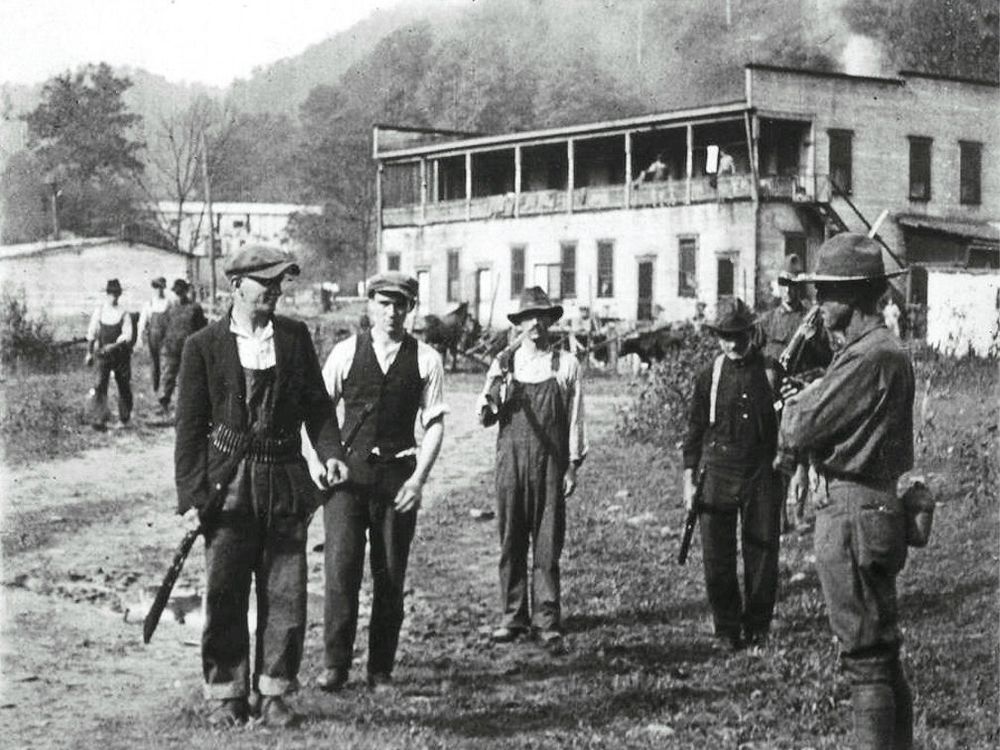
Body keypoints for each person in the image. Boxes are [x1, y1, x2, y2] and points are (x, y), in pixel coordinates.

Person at [173, 244, 349, 727]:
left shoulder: (294, 339)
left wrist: (331, 455)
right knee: (225, 589)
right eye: (264, 281)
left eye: (279, 282)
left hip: (286, 481)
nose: (274, 290)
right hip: (227, 485)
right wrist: (191, 496)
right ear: (236, 286)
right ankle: (227, 692)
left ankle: (274, 692)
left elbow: (318, 408)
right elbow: (189, 429)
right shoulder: (203, 346)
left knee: (286, 591)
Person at [780, 233, 914, 749]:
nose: (818, 303)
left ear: (855, 297)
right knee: (881, 651)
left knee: (866, 659)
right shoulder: (878, 351)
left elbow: (797, 430)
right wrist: (813, 397)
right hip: (873, 505)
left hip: (853, 510)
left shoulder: (867, 357)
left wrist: (800, 405)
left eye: (827, 292)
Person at [310, 271, 447, 692]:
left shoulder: (426, 359)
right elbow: (316, 413)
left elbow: (436, 423)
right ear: (370, 305)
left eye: (400, 305)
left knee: (390, 575)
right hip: (347, 480)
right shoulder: (345, 353)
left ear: (410, 309)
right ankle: (335, 665)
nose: (392, 312)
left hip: (397, 480)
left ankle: (380, 669)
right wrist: (321, 460)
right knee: (341, 569)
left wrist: (419, 480)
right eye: (384, 303)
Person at [478, 286, 587, 654]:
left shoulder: (566, 365)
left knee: (546, 544)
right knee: (511, 540)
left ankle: (546, 619)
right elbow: (485, 415)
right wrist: (498, 395)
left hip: (550, 466)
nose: (536, 324)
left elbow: (575, 421)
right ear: (519, 324)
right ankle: (513, 618)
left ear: (551, 321)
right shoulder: (504, 363)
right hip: (511, 464)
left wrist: (571, 466)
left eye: (542, 316)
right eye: (528, 318)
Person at [682, 297, 781, 651]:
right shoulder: (709, 376)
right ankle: (726, 627)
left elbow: (787, 425)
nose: (732, 343)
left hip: (760, 471)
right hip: (718, 472)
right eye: (725, 336)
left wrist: (787, 464)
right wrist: (689, 478)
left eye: (738, 335)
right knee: (717, 555)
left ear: (750, 333)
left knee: (763, 550)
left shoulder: (770, 372)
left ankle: (757, 626)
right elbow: (694, 430)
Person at [754, 254, 832, 529]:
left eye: (795, 284)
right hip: (774, 397)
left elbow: (827, 359)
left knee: (801, 457)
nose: (789, 289)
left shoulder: (812, 319)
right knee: (778, 458)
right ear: (779, 285)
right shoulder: (766, 321)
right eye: (785, 283)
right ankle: (780, 517)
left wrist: (812, 342)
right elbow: (753, 357)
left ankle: (798, 515)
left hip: (801, 395)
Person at [85, 278, 134, 430]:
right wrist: (89, 353)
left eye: (116, 293)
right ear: (107, 294)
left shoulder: (124, 313)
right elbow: (92, 333)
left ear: (119, 294)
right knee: (100, 385)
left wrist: (114, 346)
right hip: (103, 355)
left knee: (124, 385)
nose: (114, 296)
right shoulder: (100, 311)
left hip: (120, 354)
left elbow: (128, 335)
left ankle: (124, 419)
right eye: (111, 293)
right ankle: (99, 419)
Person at [159, 278, 207, 414]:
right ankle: (164, 405)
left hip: (188, 349)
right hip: (171, 348)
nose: (178, 296)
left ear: (186, 292)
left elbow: (201, 329)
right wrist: (165, 343)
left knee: (186, 378)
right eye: (176, 293)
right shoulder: (170, 309)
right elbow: (164, 326)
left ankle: (184, 408)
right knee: (168, 377)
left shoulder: (195, 308)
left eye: (181, 293)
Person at [136, 277, 170, 393]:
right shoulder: (149, 304)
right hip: (153, 336)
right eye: (156, 287)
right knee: (154, 362)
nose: (158, 290)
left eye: (160, 287)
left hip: (166, 336)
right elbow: (142, 322)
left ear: (164, 288)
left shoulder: (168, 303)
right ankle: (155, 387)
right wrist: (139, 338)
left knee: (165, 362)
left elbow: (172, 320)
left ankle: (165, 389)